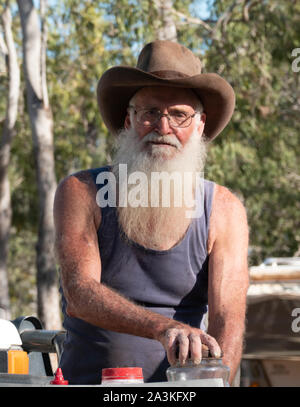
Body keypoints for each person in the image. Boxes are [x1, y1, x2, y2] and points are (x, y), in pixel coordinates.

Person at [54, 40, 249, 385]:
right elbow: (79, 293)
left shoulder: (224, 210)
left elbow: (228, 320)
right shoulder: (81, 192)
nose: (163, 127)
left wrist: (220, 381)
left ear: (200, 125)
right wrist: (164, 328)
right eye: (149, 113)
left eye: (179, 115)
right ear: (128, 120)